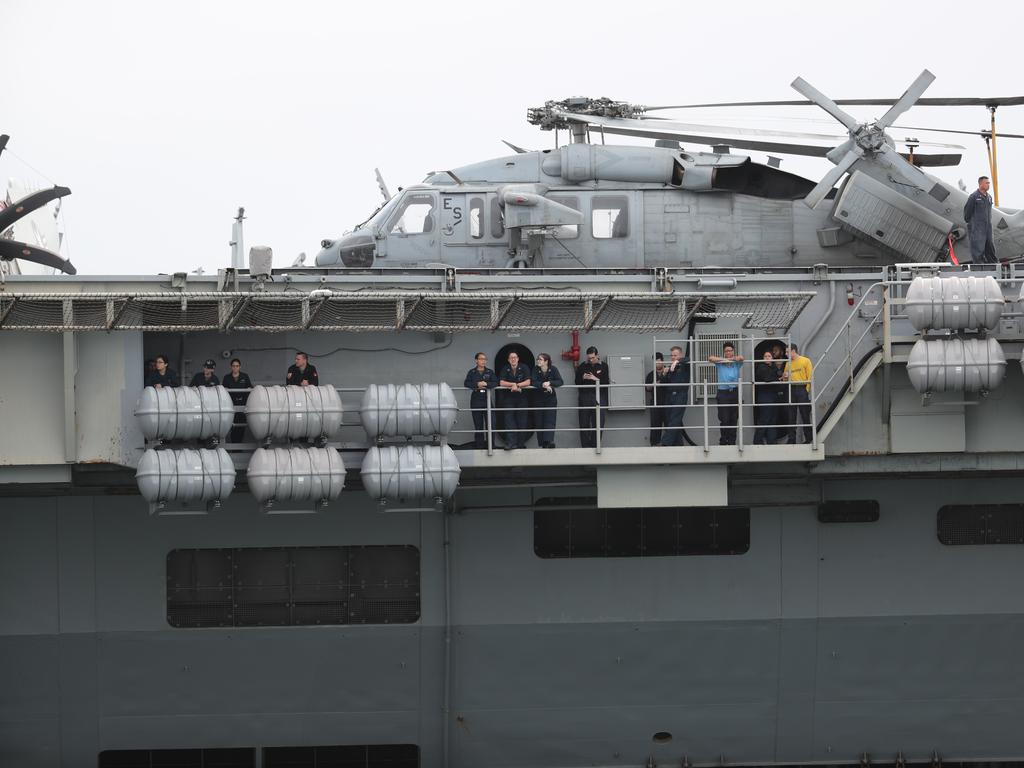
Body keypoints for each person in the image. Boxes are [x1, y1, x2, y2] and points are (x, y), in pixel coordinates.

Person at [708, 343, 744, 446]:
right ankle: (723, 441)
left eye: (730, 350)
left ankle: (732, 442)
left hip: (734, 393)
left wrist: (733, 359)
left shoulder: (736, 363)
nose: (728, 352)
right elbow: (710, 358)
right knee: (724, 419)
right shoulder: (720, 363)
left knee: (734, 419)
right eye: (726, 351)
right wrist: (724, 360)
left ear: (733, 351)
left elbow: (741, 358)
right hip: (723, 394)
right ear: (724, 352)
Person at [575, 346, 610, 448]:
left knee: (598, 422)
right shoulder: (583, 366)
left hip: (599, 396)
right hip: (585, 396)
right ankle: (585, 447)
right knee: (584, 422)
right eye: (589, 358)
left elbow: (606, 382)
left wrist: (595, 379)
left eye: (592, 358)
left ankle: (595, 445)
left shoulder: (604, 366)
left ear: (597, 355)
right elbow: (576, 382)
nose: (590, 360)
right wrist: (583, 377)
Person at [463, 352, 497, 449]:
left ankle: (491, 445)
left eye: (485, 359)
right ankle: (480, 446)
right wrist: (477, 384)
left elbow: (495, 382)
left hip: (487, 399)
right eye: (481, 359)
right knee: (478, 424)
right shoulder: (472, 372)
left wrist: (486, 384)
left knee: (491, 423)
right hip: (476, 399)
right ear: (476, 360)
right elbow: (466, 383)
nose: (483, 361)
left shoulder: (490, 372)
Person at [499, 351, 531, 450]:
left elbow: (528, 381)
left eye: (515, 357)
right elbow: (501, 382)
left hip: (522, 398)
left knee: (522, 421)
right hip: (509, 399)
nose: (513, 359)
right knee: (509, 421)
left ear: (518, 359)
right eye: (511, 358)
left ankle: (521, 443)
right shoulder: (505, 368)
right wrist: (512, 384)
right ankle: (511, 443)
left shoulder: (524, 367)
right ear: (508, 360)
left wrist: (517, 385)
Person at [783, 343, 814, 444]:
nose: (786, 354)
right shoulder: (788, 364)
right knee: (791, 415)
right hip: (791, 388)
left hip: (802, 388)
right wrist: (785, 377)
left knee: (805, 414)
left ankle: (809, 438)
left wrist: (806, 390)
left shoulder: (805, 360)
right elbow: (784, 379)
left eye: (787, 352)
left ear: (793, 351)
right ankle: (791, 439)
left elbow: (810, 376)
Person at [659, 345, 690, 446]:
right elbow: (664, 383)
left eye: (675, 355)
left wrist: (678, 361)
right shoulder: (671, 368)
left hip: (680, 395)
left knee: (675, 419)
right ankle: (678, 444)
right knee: (668, 420)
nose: (673, 357)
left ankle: (665, 443)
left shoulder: (684, 364)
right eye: (672, 355)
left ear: (680, 355)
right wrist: (664, 373)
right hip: (669, 396)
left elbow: (688, 359)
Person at [532, 353, 563, 448]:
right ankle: (542, 442)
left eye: (540, 359)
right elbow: (533, 381)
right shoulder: (535, 369)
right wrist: (543, 385)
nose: (538, 361)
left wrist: (550, 383)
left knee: (550, 419)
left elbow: (560, 381)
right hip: (538, 398)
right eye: (538, 359)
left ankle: (549, 441)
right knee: (539, 420)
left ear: (546, 361)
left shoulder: (553, 369)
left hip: (550, 398)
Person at [963, 176, 996, 264]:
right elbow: (967, 213)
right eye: (987, 183)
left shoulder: (989, 197)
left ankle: (994, 265)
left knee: (990, 247)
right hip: (977, 228)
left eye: (989, 183)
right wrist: (973, 224)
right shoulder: (974, 196)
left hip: (988, 228)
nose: (989, 185)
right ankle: (979, 267)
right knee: (978, 249)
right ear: (980, 184)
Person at [753, 350, 784, 445]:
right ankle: (757, 441)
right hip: (764, 395)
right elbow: (767, 378)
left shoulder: (774, 367)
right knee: (764, 418)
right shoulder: (761, 367)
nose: (767, 357)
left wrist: (780, 377)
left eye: (769, 356)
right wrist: (778, 379)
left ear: (772, 358)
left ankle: (772, 440)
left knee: (773, 419)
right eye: (765, 356)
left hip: (773, 395)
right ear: (763, 358)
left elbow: (778, 376)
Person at [223, 358, 253, 442]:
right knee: (232, 426)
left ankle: (238, 447)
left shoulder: (245, 376)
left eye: (237, 366)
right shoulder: (227, 377)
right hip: (231, 405)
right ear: (231, 367)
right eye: (233, 366)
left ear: (240, 367)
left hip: (242, 405)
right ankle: (234, 446)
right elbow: (224, 390)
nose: (235, 368)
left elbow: (250, 388)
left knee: (241, 427)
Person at [645, 352, 666, 446]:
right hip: (655, 403)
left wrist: (661, 379)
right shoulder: (651, 374)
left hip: (667, 402)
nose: (657, 364)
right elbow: (647, 388)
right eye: (655, 362)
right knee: (655, 425)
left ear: (662, 361)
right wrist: (654, 383)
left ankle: (668, 444)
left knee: (669, 425)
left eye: (659, 361)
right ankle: (654, 445)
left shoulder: (668, 371)